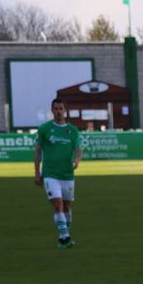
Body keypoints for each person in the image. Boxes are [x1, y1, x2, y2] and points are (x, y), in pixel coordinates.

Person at [34, 99, 83, 249]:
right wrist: (37, 172)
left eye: (61, 108)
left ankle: (64, 233)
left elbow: (79, 149)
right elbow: (38, 151)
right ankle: (65, 237)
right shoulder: (44, 129)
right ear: (52, 110)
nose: (58, 111)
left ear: (65, 110)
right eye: (56, 109)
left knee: (67, 207)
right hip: (50, 173)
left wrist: (77, 160)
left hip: (67, 174)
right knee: (58, 205)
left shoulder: (73, 130)